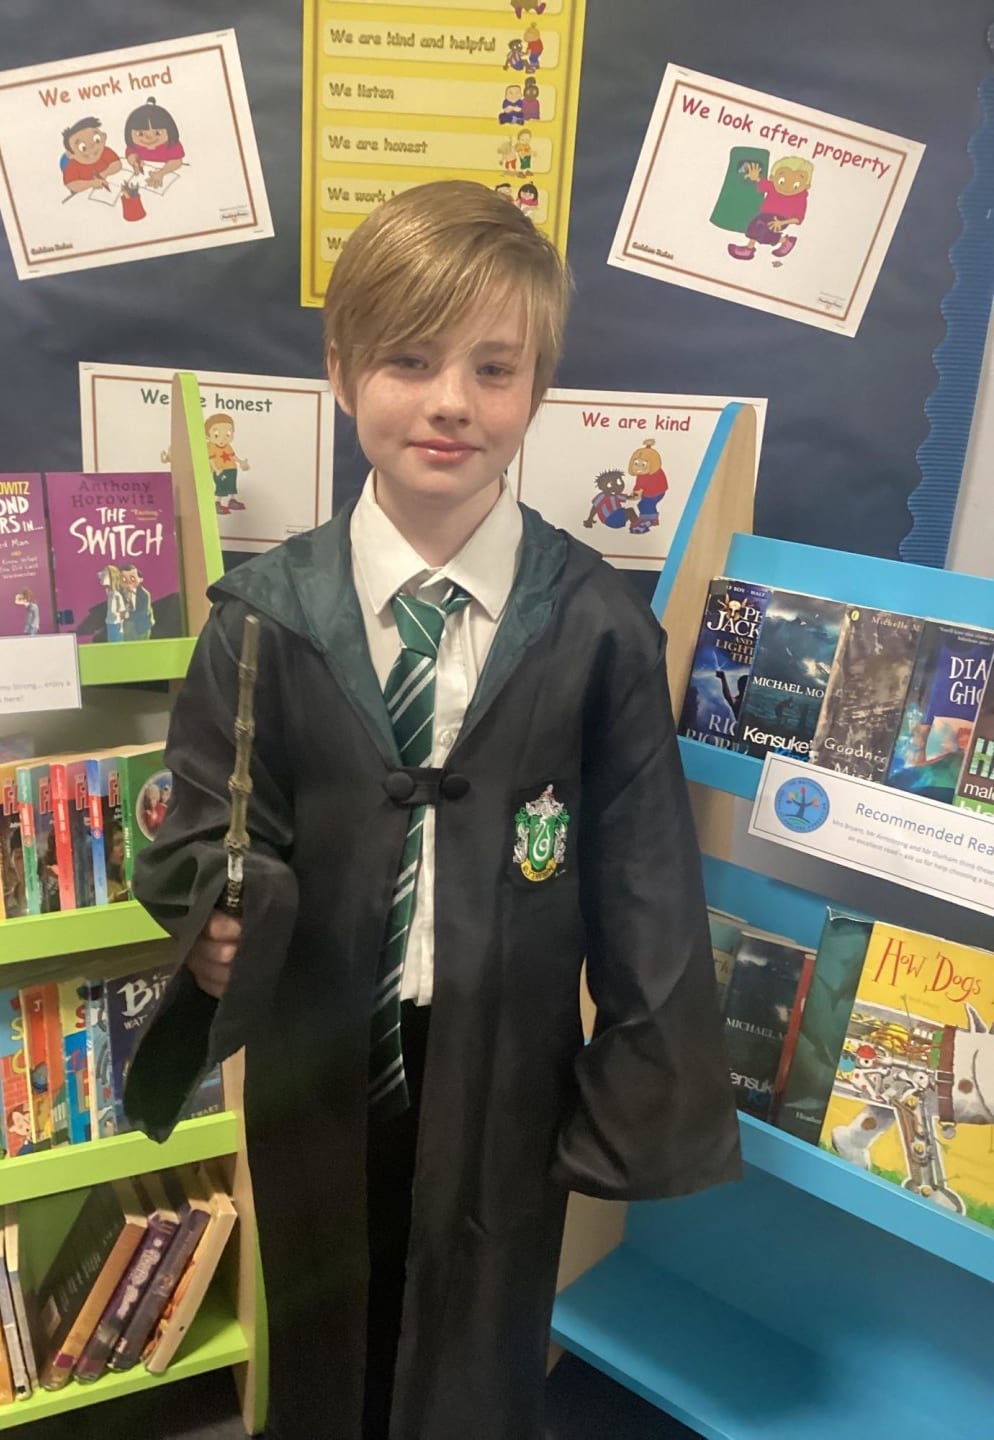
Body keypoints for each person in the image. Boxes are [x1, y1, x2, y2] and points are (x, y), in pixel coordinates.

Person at [122, 179, 740, 1440]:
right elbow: (199, 828)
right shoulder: (263, 621)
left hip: (506, 1063)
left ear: (537, 388)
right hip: (317, 1051)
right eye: (410, 360)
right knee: (321, 1317)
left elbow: (644, 876)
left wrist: (642, 1086)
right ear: (341, 372)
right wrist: (226, 917)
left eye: (493, 368)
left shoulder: (595, 628)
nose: (451, 401)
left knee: (481, 1331)